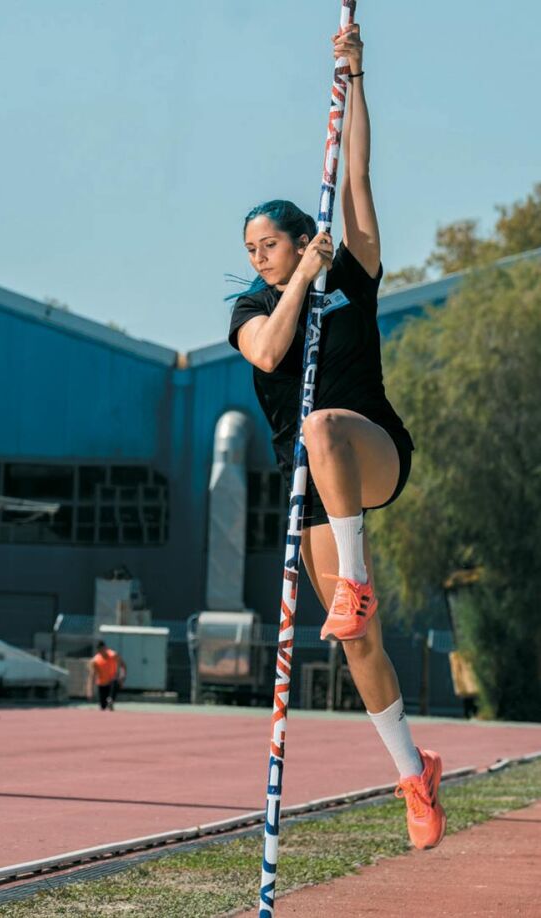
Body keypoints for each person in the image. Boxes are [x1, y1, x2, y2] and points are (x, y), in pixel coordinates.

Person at [227, 23, 445, 850]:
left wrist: (354, 79)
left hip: (370, 448)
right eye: (250, 250)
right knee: (362, 652)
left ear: (297, 234)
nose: (260, 255)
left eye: (271, 243)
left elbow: (355, 176)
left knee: (323, 424)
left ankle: (357, 580)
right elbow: (275, 352)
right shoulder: (252, 310)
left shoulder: (352, 269)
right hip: (307, 488)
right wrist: (298, 283)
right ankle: (411, 775)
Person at [87, 640, 126, 711]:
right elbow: (92, 675)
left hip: (111, 683)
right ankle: (106, 705)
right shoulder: (95, 660)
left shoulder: (113, 655)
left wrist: (122, 677)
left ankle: (110, 700)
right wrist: (90, 690)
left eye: (103, 649)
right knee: (103, 707)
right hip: (102, 684)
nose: (102, 651)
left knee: (115, 681)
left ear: (105, 648)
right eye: (100, 650)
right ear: (98, 650)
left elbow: (123, 665)